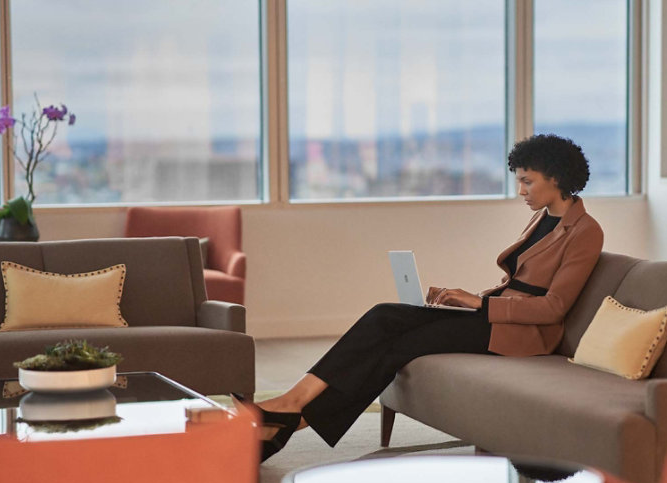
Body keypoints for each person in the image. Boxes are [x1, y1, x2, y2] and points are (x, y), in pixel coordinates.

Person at [255, 134, 604, 461]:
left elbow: (553, 307)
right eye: (519, 180)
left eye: (527, 181)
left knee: (401, 345)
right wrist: (466, 298)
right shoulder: (541, 218)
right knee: (384, 315)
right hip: (494, 317)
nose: (521, 190)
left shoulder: (586, 231)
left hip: (524, 336)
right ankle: (290, 404)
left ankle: (290, 419)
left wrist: (480, 304)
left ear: (556, 178)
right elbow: (517, 284)